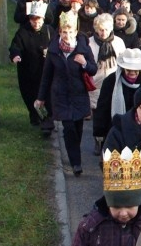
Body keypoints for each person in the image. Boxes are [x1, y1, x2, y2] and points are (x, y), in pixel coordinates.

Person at [35, 11, 97, 176]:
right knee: (68, 127)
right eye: (64, 32)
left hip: (78, 94)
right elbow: (46, 75)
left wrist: (84, 63)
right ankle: (76, 163)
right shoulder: (54, 50)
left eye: (70, 32)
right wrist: (40, 98)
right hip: (61, 95)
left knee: (77, 128)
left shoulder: (83, 48)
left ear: (75, 32)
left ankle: (74, 151)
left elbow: (93, 69)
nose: (67, 35)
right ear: (60, 32)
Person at [92, 48, 141, 149]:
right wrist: (99, 131)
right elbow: (103, 107)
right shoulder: (111, 81)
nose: (132, 72)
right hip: (118, 129)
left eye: (135, 69)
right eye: (128, 69)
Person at [9, 0, 52, 129]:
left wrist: (50, 53)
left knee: (47, 95)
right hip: (28, 71)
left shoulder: (49, 31)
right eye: (33, 20)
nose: (36, 23)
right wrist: (15, 55)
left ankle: (47, 120)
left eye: (38, 20)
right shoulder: (23, 32)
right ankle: (34, 116)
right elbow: (15, 46)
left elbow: (56, 46)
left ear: (43, 19)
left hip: (45, 70)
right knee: (30, 95)